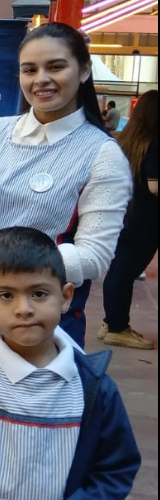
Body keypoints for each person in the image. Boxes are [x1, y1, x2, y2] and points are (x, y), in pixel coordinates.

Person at [0, 227, 141, 500]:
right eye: (6, 296)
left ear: (66, 296)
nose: (23, 308)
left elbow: (115, 469)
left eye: (38, 293)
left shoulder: (93, 387)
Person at [0, 22, 131, 347]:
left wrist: (5, 272)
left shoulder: (102, 154)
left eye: (55, 67)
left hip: (40, 320)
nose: (41, 79)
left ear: (83, 70)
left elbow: (94, 256)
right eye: (30, 69)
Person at [99, 89, 158, 349]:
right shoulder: (155, 144)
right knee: (126, 271)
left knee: (119, 271)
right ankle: (117, 327)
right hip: (146, 220)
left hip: (124, 214)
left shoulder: (126, 141)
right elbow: (155, 186)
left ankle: (111, 321)